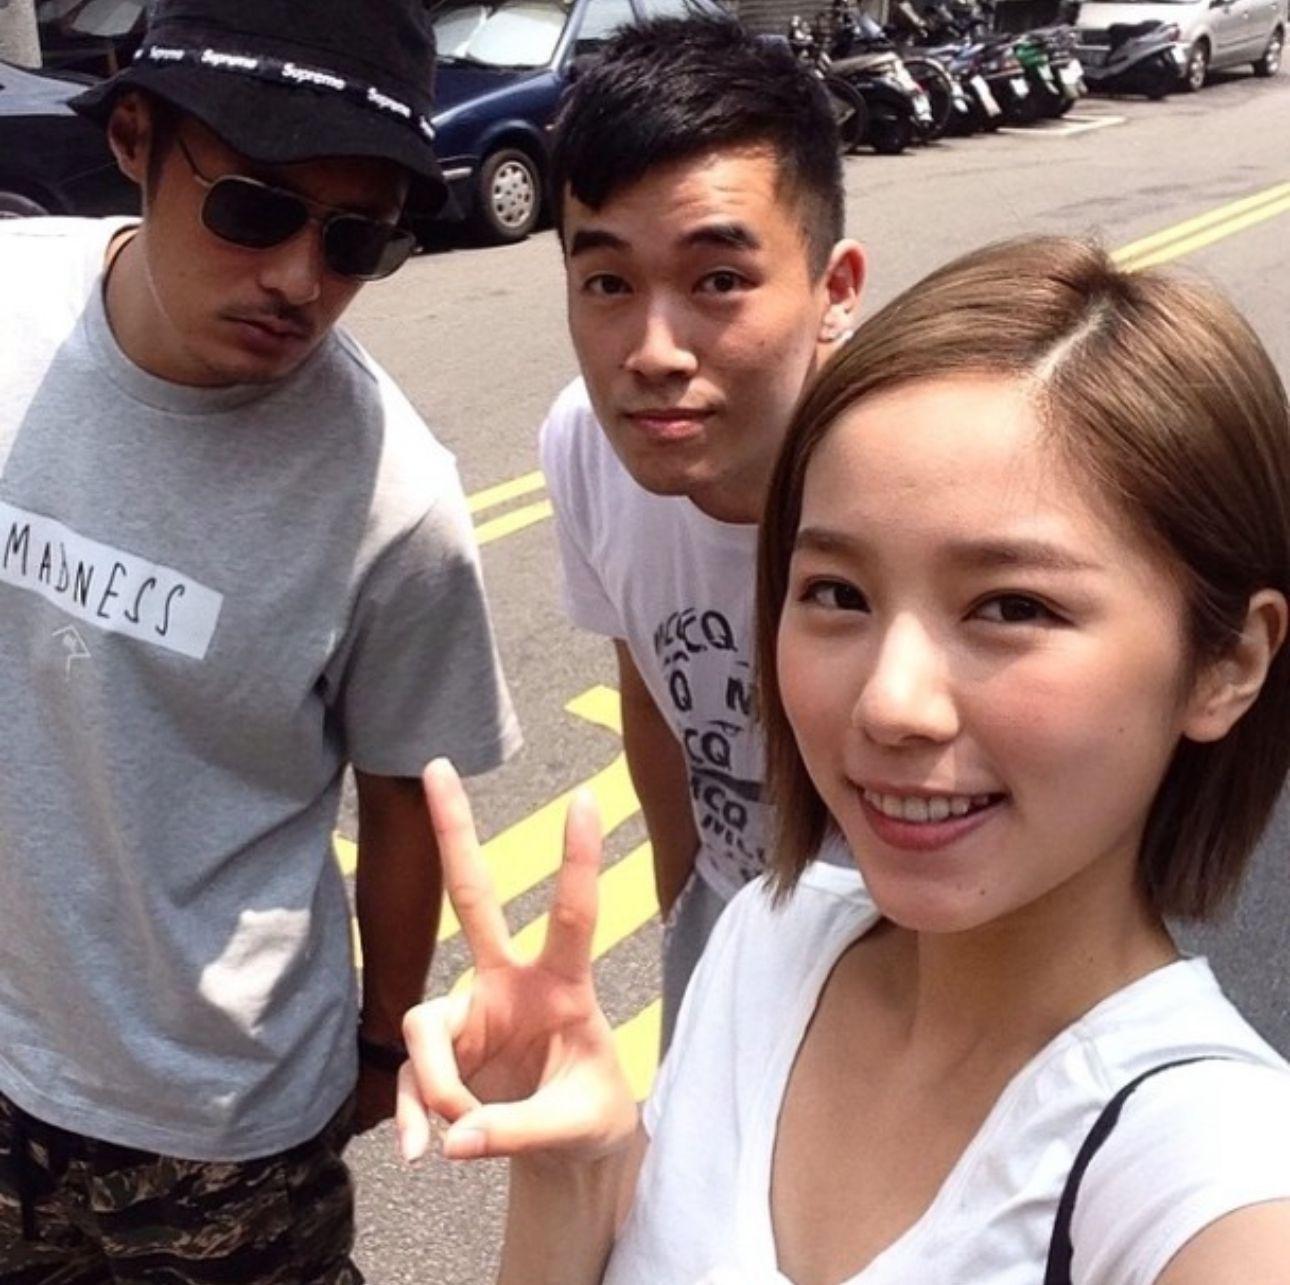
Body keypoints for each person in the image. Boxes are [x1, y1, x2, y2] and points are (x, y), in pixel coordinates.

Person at [399, 236, 1290, 1283]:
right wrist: (573, 1172)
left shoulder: (1207, 1166)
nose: (888, 703)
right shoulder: (764, 943)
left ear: (1227, 663)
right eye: (836, 593)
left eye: (1012, 606)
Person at [0, 1, 519, 1279]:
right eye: (255, 207)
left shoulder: (395, 494)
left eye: (355, 240)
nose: (299, 278)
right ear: (135, 137)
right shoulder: (10, 306)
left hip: (227, 1127)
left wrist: (384, 1044)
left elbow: (405, 797)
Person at [537, 16, 865, 1045]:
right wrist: (687, 911)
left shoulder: (913, 476)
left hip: (916, 944)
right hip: (731, 916)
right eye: (608, 283)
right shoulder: (585, 444)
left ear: (835, 292)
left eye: (718, 280)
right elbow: (649, 687)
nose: (653, 352)